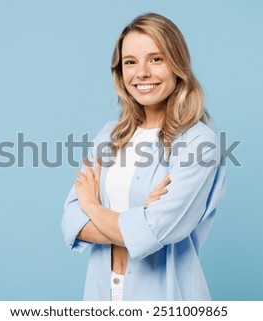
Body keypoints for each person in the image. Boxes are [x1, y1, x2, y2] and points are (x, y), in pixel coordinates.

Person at [61, 13, 225, 301]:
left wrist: (91, 205)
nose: (142, 73)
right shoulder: (109, 136)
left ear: (177, 65)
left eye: (156, 59)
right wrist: (136, 221)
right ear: (120, 72)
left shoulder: (199, 144)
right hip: (102, 294)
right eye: (131, 62)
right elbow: (71, 222)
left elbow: (151, 234)